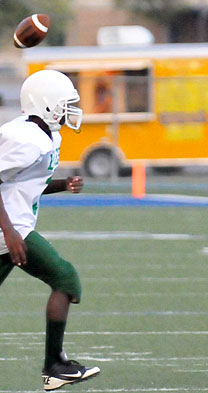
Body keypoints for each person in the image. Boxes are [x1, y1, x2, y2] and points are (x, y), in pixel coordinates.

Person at [0, 69, 100, 391]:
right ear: (48, 105)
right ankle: (54, 364)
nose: (72, 109)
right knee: (64, 277)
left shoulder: (47, 137)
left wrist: (61, 185)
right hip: (9, 230)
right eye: (66, 103)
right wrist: (11, 233)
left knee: (64, 277)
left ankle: (55, 364)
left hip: (12, 227)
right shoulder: (26, 140)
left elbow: (27, 183)